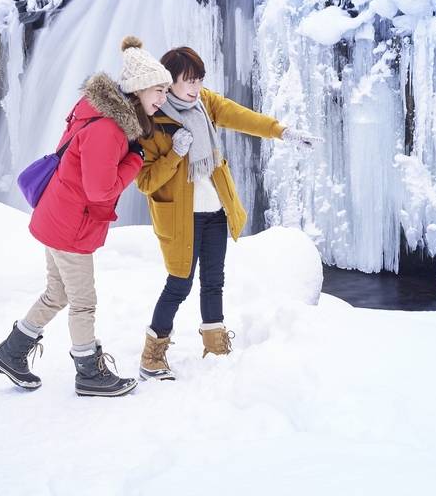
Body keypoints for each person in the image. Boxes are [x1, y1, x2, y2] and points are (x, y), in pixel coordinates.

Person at [0, 36, 173, 397]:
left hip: (58, 214)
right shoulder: (108, 129)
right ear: (137, 90)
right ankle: (89, 372)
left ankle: (11, 352)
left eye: (166, 90)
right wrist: (136, 158)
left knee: (57, 293)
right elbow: (100, 190)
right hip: (71, 223)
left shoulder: (96, 109)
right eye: (158, 90)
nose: (163, 98)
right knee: (83, 301)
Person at [135, 45, 321, 381]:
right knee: (178, 285)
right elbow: (146, 181)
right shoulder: (152, 122)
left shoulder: (205, 104)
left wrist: (283, 132)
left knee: (214, 283)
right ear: (169, 82)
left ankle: (216, 346)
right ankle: (153, 354)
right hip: (180, 219)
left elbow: (242, 116)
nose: (196, 86)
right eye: (188, 80)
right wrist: (176, 154)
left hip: (215, 211)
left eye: (199, 79)